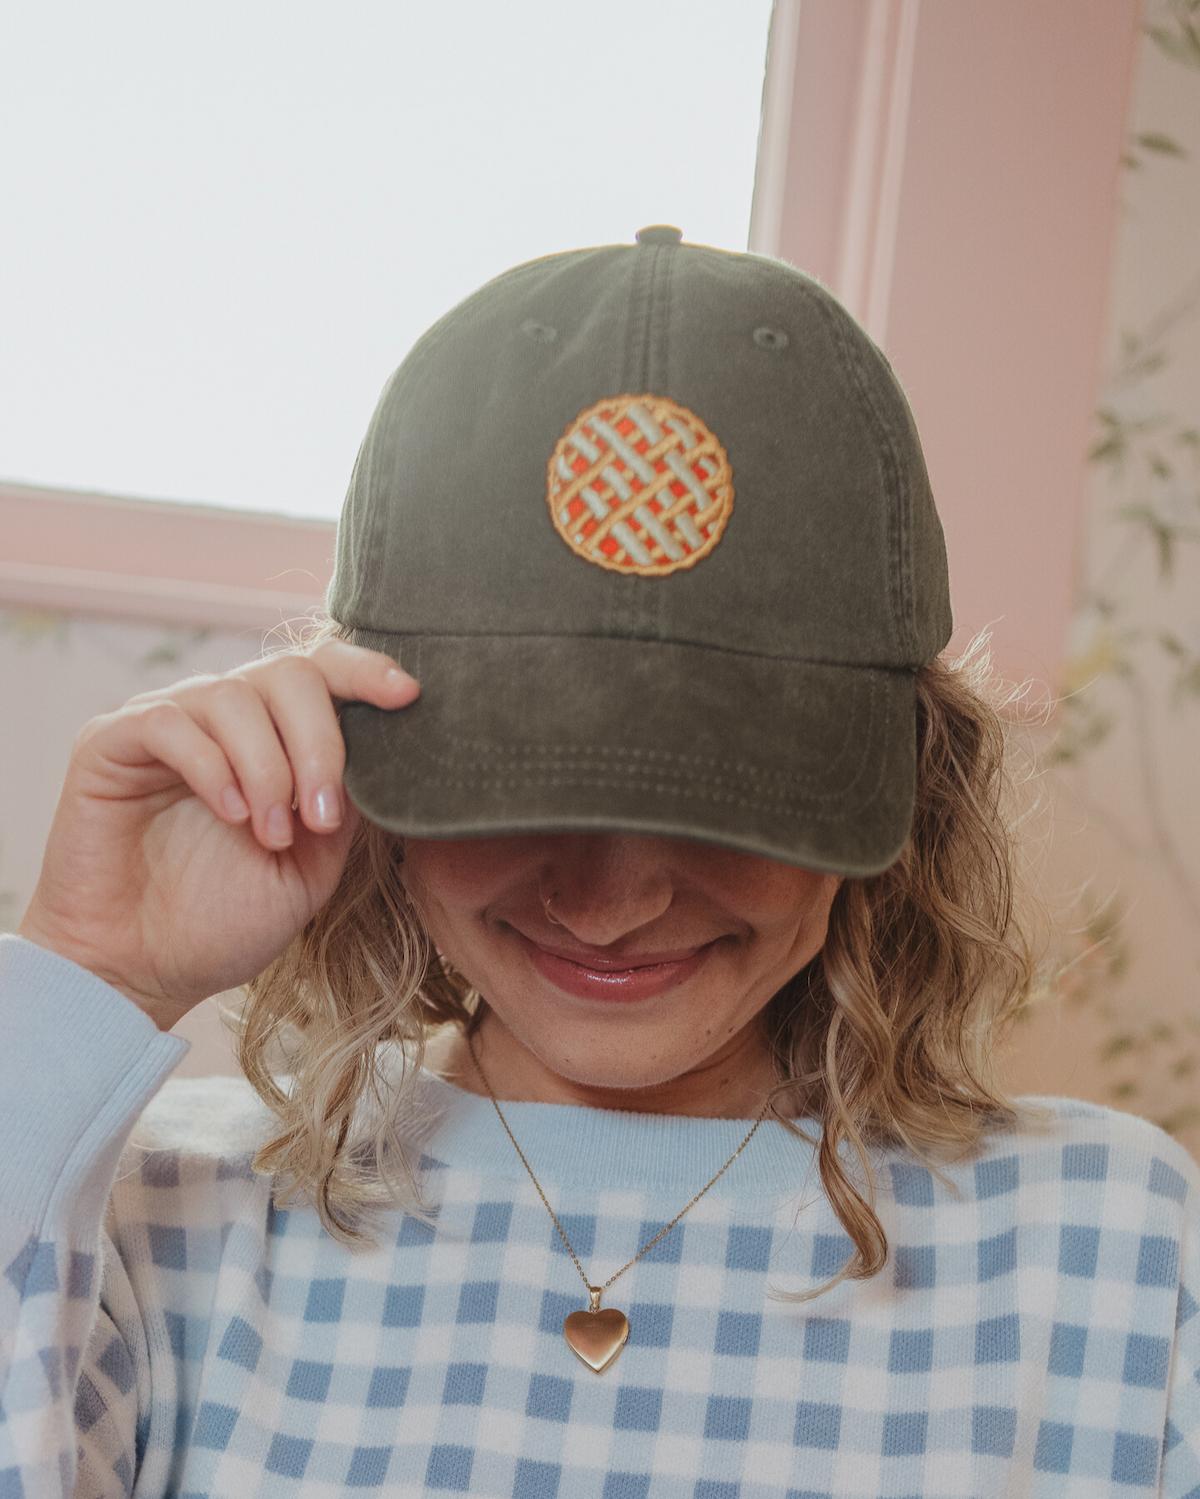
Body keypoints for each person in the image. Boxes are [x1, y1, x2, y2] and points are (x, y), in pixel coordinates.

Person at [2, 224, 1197, 1498]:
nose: (615, 904)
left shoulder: (1116, 1248)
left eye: (722, 799)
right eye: (523, 786)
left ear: (906, 781)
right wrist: (94, 972)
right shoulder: (144, 1202)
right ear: (357, 763)